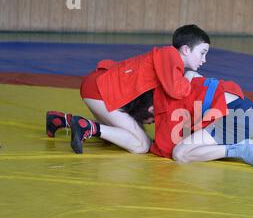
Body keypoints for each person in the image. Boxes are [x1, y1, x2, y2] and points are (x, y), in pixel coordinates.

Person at [46, 24, 210, 154]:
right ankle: (87, 127)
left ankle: (61, 120)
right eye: (202, 53)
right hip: (101, 90)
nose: (204, 60)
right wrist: (190, 76)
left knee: (129, 137)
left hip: (100, 87)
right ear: (186, 49)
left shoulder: (170, 67)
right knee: (141, 146)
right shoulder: (170, 55)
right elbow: (177, 91)